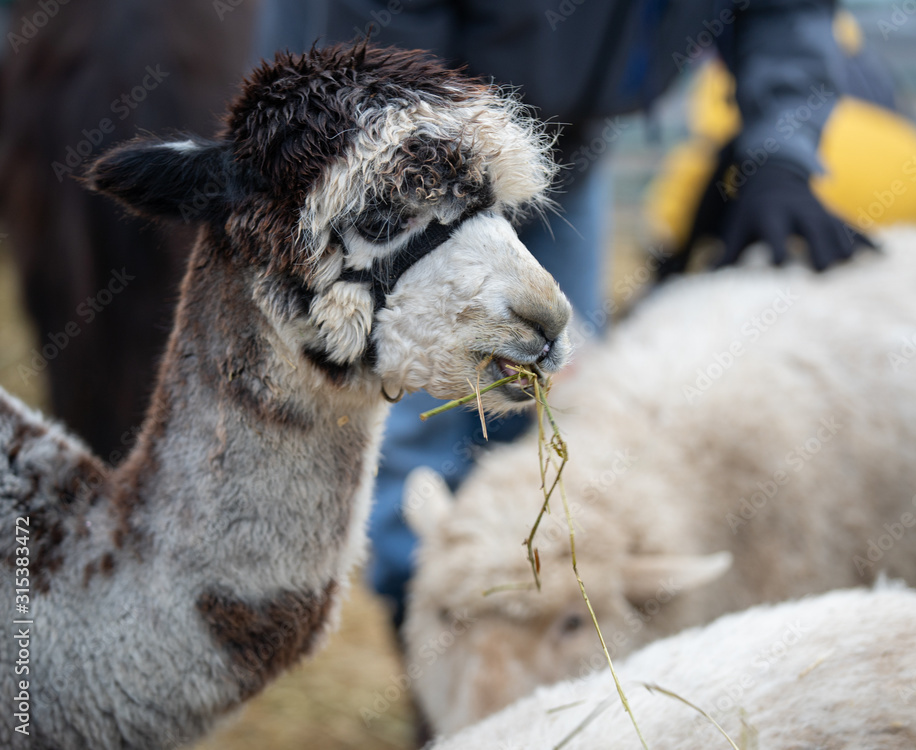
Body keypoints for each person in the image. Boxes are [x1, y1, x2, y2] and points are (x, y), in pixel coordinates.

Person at [253, 0, 880, 628]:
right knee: (420, 404)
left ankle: (539, 613)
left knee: (548, 391)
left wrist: (780, 155)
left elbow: (785, 10)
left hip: (566, 141)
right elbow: (379, 38)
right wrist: (438, 207)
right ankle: (437, 624)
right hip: (416, 164)